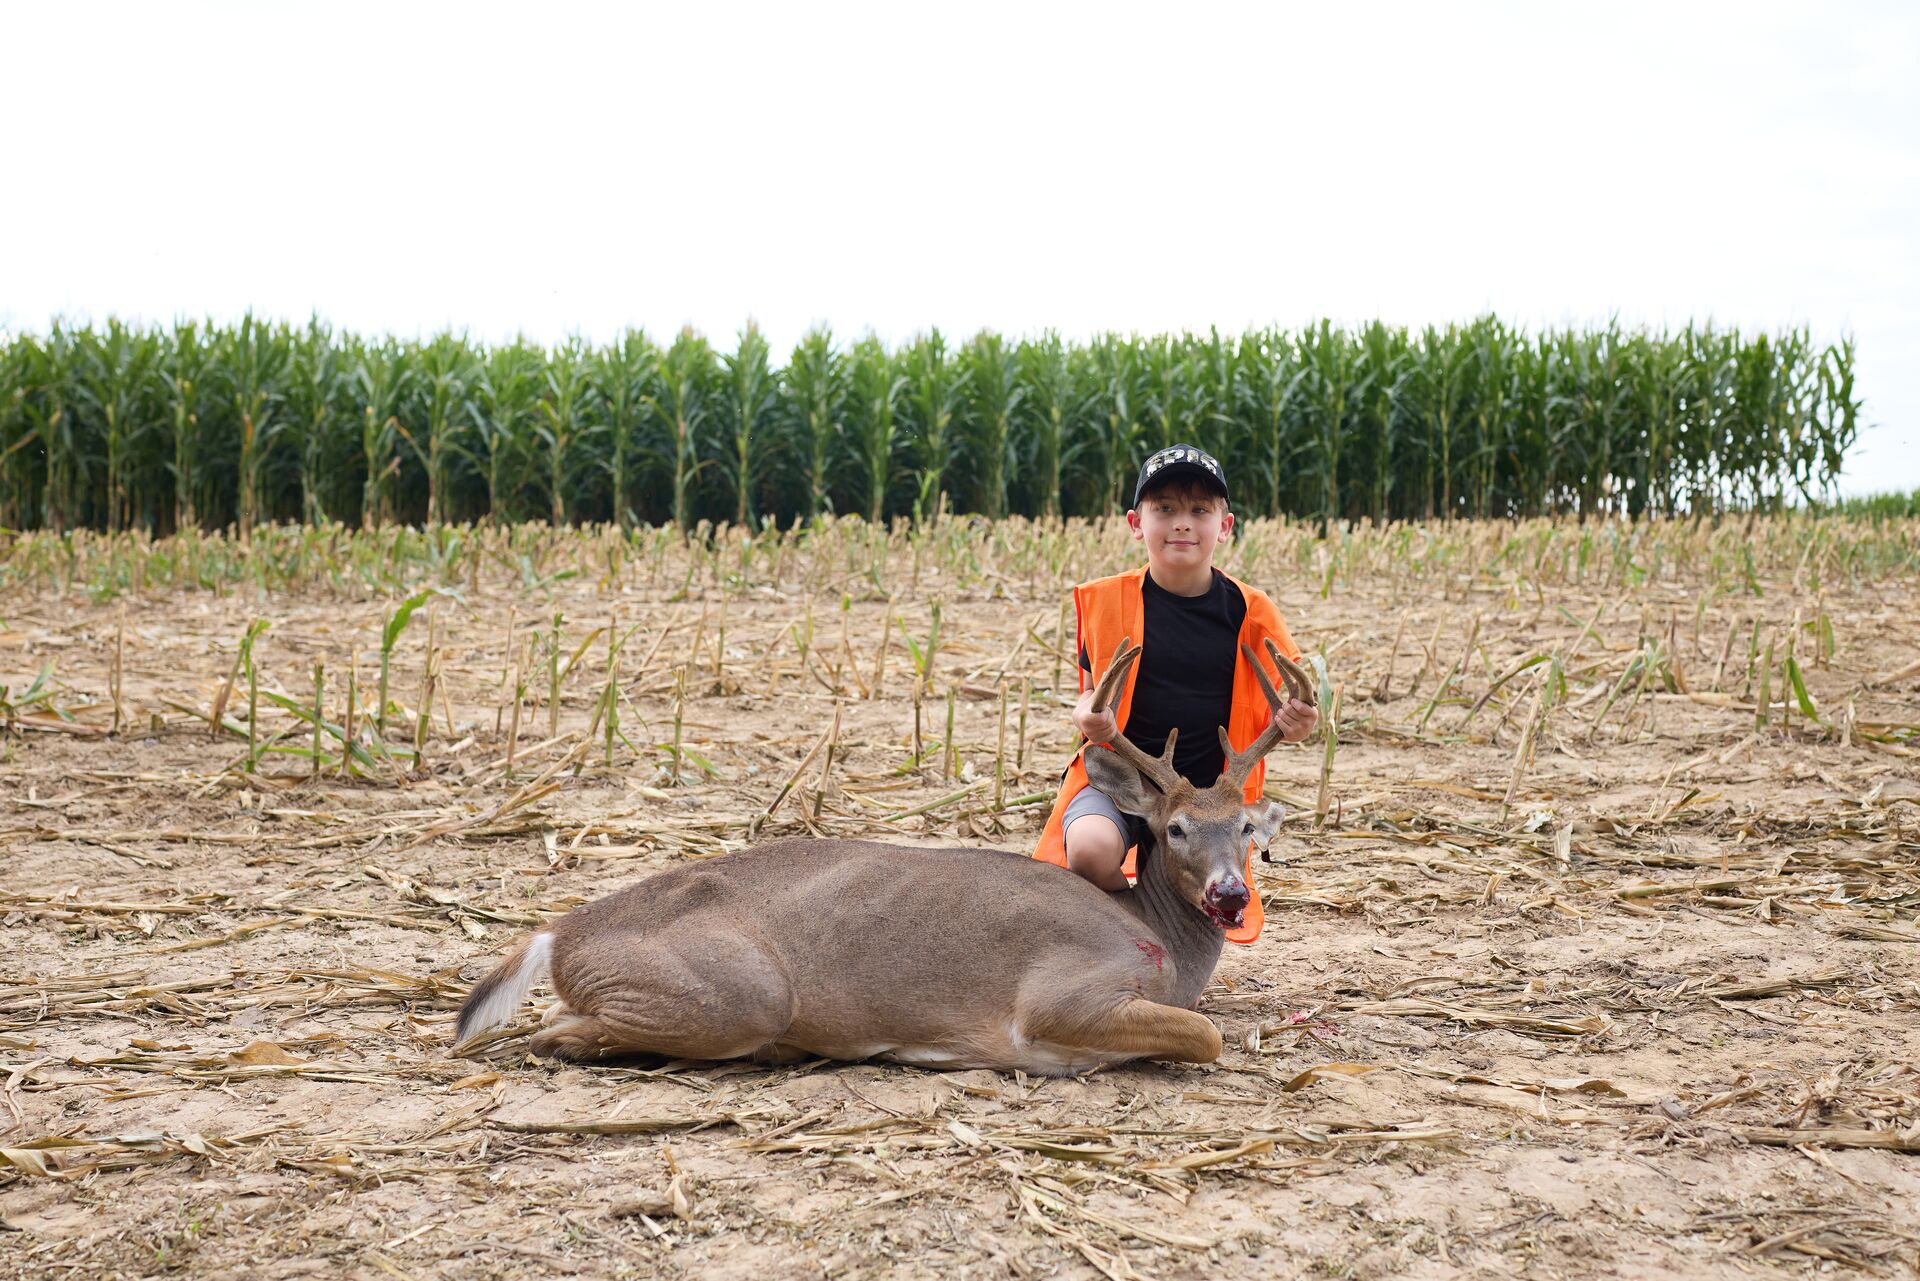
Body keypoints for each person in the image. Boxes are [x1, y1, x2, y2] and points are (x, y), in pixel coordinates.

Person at [1031, 444, 1317, 944]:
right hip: (1126, 784)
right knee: (1090, 852)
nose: (1181, 523)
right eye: (1164, 509)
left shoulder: (1251, 611)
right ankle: (1132, 938)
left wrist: (1301, 722)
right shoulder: (1107, 603)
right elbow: (1088, 695)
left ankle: (1175, 944)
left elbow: (1296, 709)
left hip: (1208, 798)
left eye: (1199, 511)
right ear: (1136, 523)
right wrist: (1088, 717)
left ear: (1224, 527)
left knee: (1217, 884)